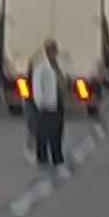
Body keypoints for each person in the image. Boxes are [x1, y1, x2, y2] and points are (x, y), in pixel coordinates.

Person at [31, 39, 67, 173]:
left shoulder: (58, 65)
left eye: (54, 50)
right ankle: (42, 157)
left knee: (57, 132)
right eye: (50, 50)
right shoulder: (41, 66)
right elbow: (37, 85)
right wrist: (39, 101)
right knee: (44, 132)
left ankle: (57, 158)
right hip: (46, 104)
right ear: (46, 51)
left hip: (58, 102)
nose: (53, 52)